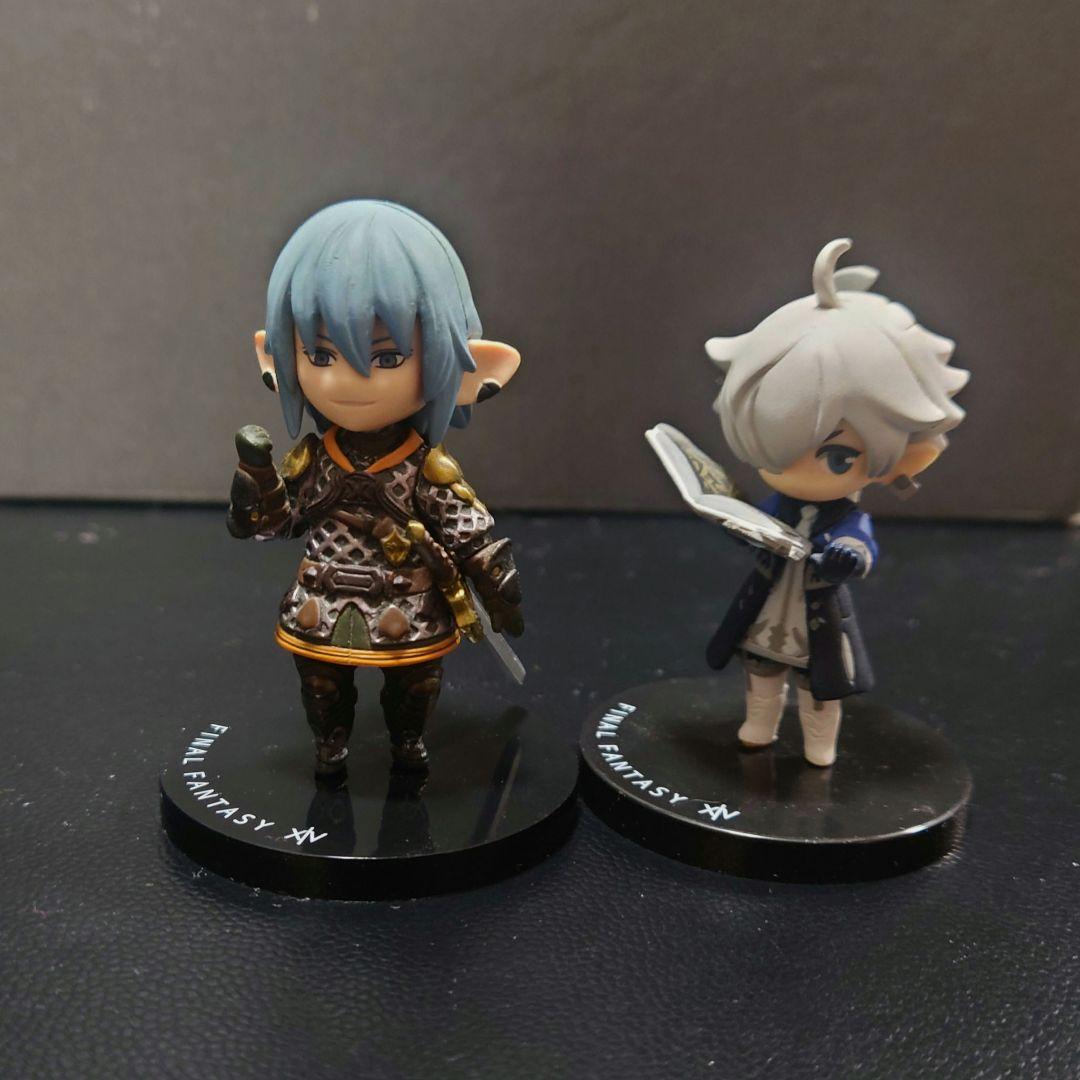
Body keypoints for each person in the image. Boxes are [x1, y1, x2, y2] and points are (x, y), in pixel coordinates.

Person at [226, 201, 523, 774]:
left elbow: (468, 532)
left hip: (406, 599)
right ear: (279, 356)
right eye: (320, 354)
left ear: (461, 365)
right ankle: (329, 747)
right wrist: (256, 487)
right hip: (321, 597)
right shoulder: (314, 459)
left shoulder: (424, 466)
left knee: (415, 686)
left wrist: (496, 584)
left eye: (387, 357)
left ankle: (407, 746)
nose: (347, 380)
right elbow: (280, 524)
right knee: (321, 684)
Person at [705, 239, 968, 766]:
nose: (793, 470)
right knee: (760, 673)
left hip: (818, 621)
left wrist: (847, 557)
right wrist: (738, 523)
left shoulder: (847, 517)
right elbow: (757, 528)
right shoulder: (778, 504)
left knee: (819, 688)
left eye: (837, 456)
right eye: (772, 447)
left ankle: (819, 744)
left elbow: (859, 545)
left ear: (907, 456)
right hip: (765, 611)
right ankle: (758, 725)